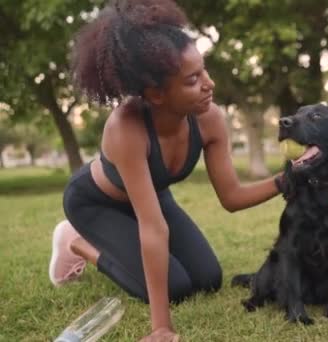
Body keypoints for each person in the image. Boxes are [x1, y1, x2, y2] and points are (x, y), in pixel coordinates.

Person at [47, 1, 280, 340]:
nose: (209, 85)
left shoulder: (209, 119)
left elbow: (232, 197)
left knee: (207, 279)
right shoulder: (126, 128)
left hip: (152, 196)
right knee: (175, 287)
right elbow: (153, 229)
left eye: (204, 70)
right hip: (96, 203)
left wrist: (288, 178)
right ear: (156, 94)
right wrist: (161, 327)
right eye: (193, 79)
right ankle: (76, 243)